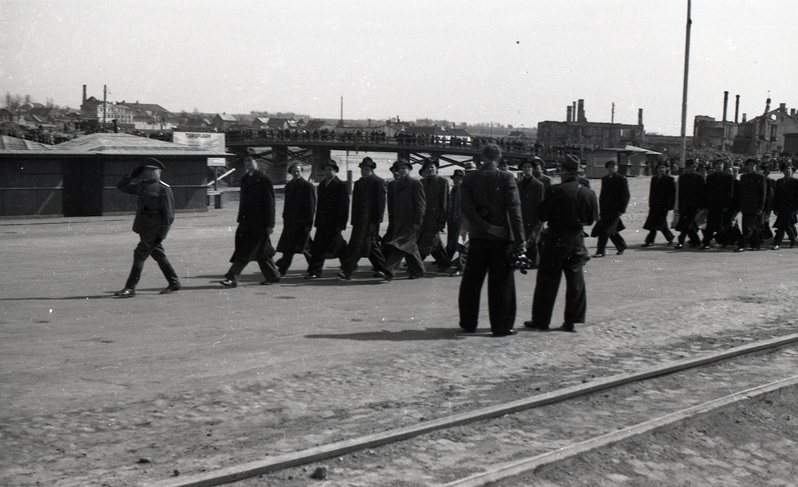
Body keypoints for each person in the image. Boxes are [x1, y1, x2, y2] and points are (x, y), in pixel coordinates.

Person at [458, 143, 525, 336]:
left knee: (472, 281)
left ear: (481, 157)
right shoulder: (507, 177)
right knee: (502, 283)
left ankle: (468, 322)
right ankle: (502, 325)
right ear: (499, 158)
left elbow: (467, 210)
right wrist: (520, 239)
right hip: (503, 238)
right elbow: (515, 210)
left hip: (479, 237)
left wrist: (486, 227)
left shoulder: (469, 179)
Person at [525, 154, 598, 332]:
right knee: (575, 281)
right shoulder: (589, 193)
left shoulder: (555, 190)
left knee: (547, 280)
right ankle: (571, 320)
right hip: (577, 239)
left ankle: (541, 320)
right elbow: (591, 219)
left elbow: (542, 214)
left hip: (556, 237)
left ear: (564, 171)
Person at [114, 157, 181, 297]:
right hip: (143, 226)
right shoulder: (141, 185)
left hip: (155, 228)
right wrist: (132, 175)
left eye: (152, 171)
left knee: (139, 254)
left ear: (159, 172)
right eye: (146, 170)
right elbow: (121, 187)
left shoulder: (164, 189)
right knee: (159, 255)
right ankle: (174, 283)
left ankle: (130, 288)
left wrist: (162, 234)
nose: (148, 173)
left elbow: (169, 215)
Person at [220, 154, 281, 287]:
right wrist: (240, 219)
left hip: (259, 223)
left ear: (257, 161)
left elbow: (270, 204)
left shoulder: (264, 179)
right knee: (261, 251)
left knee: (245, 250)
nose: (247, 163)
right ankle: (273, 275)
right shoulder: (245, 179)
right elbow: (243, 201)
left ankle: (232, 277)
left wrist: (270, 224)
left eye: (250, 160)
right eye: (245, 161)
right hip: (246, 222)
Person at [338, 157, 388, 280]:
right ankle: (384, 269)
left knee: (357, 246)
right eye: (362, 169)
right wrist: (353, 220)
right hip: (360, 221)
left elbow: (380, 205)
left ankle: (347, 271)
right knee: (370, 246)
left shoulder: (378, 182)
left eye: (366, 169)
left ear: (371, 169)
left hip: (370, 221)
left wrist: (375, 223)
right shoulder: (359, 183)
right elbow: (355, 204)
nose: (363, 171)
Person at [382, 158, 426, 280]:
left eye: (404, 168)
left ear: (409, 170)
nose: (401, 171)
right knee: (409, 246)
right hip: (399, 222)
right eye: (399, 169)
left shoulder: (415, 183)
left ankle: (390, 270)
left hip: (411, 222)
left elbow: (420, 204)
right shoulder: (396, 184)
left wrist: (418, 221)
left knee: (400, 245)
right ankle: (418, 270)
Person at [305, 159, 350, 278]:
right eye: (326, 169)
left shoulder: (341, 185)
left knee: (339, 247)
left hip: (334, 223)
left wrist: (341, 224)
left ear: (335, 171)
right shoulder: (322, 185)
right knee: (318, 247)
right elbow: (319, 205)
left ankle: (348, 266)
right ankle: (314, 271)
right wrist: (317, 221)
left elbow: (344, 206)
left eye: (330, 169)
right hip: (322, 223)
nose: (327, 171)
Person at [275, 163, 316, 276]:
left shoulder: (308, 186)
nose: (296, 173)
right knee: (289, 248)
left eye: (298, 171)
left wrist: (309, 223)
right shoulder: (289, 186)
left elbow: (311, 206)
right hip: (290, 223)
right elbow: (287, 204)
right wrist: (285, 218)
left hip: (303, 223)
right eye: (294, 171)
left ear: (301, 171)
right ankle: (281, 270)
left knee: (305, 249)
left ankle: (314, 270)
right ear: (291, 173)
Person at [417, 159, 451, 272]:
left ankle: (416, 265)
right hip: (424, 219)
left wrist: (442, 221)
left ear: (436, 169)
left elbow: (445, 202)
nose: (430, 169)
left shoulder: (442, 182)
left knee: (426, 243)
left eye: (432, 167)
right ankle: (445, 263)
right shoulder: (422, 182)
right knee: (434, 244)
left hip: (435, 218)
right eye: (428, 168)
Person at [591, 160, 629, 257]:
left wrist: (622, 209)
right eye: (610, 166)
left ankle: (600, 251)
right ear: (607, 168)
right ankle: (622, 245)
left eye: (614, 166)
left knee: (605, 230)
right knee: (611, 230)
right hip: (605, 209)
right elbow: (602, 194)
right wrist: (600, 207)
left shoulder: (621, 179)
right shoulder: (604, 179)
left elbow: (625, 195)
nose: (612, 168)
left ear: (617, 167)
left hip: (615, 210)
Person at [702, 159, 736, 249]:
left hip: (722, 205)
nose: (719, 166)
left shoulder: (728, 177)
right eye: (717, 164)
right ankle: (706, 243)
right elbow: (707, 192)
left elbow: (730, 192)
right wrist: (706, 204)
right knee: (710, 224)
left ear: (723, 166)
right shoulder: (710, 177)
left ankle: (724, 241)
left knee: (720, 224)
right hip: (712, 204)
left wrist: (726, 205)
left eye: (721, 164)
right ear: (714, 166)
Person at [517, 159, 545, 266]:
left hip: (532, 216)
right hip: (521, 216)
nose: (527, 169)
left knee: (532, 239)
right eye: (525, 167)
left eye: (529, 167)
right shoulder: (518, 184)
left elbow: (540, 205)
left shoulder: (538, 185)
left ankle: (533, 261)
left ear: (532, 169)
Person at [735, 158, 767, 252]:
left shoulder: (760, 177)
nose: (752, 167)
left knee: (749, 227)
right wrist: (740, 205)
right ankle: (755, 245)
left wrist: (761, 208)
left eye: (753, 165)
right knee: (747, 226)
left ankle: (742, 245)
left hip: (755, 206)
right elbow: (741, 193)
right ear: (746, 166)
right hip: (745, 206)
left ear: (756, 167)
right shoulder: (743, 177)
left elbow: (763, 194)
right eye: (750, 165)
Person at [642, 160, 676, 247]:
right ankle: (670, 237)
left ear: (666, 169)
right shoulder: (654, 179)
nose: (661, 169)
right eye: (660, 168)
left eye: (663, 168)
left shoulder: (669, 179)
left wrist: (670, 205)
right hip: (655, 204)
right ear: (657, 169)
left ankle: (650, 240)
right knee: (660, 223)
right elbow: (652, 192)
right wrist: (650, 202)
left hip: (664, 205)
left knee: (658, 222)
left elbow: (673, 193)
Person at [674, 159, 704, 249]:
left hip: (694, 205)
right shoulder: (682, 178)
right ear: (686, 168)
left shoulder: (699, 177)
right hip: (683, 205)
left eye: (694, 167)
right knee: (687, 224)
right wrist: (679, 205)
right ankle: (696, 241)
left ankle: (681, 241)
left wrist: (700, 205)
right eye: (691, 167)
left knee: (687, 224)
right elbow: (680, 193)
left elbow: (701, 193)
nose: (693, 168)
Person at [445, 169, 466, 276]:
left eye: (459, 178)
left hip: (460, 220)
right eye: (456, 178)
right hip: (453, 219)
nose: (457, 180)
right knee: (454, 240)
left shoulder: (461, 188)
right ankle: (450, 260)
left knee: (460, 242)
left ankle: (461, 266)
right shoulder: (454, 189)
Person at [772, 162, 798, 249]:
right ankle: (793, 240)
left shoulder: (795, 182)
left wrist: (796, 208)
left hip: (791, 207)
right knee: (786, 225)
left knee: (782, 225)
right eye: (786, 169)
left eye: (789, 169)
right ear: (783, 171)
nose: (788, 171)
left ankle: (777, 243)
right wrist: (775, 208)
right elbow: (776, 195)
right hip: (781, 207)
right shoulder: (779, 182)